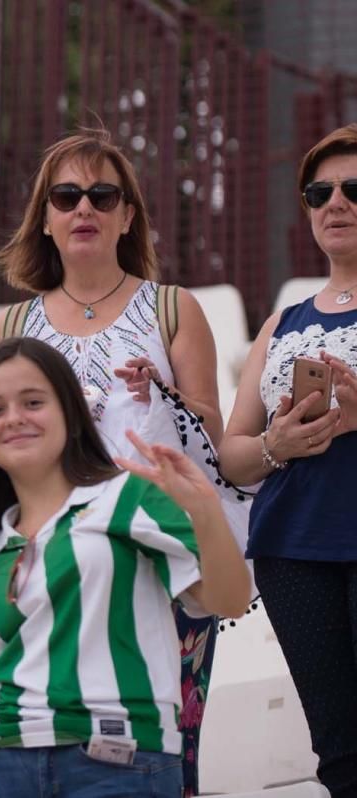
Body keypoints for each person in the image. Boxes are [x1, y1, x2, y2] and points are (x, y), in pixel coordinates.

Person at [0, 130, 234, 794]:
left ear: (128, 216)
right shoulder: (10, 327)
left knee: (170, 753)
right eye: (66, 196)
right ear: (45, 218)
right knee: (44, 736)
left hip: (162, 553)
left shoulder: (173, 306)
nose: (83, 208)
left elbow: (211, 438)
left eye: (103, 195)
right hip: (50, 560)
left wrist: (166, 391)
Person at [0, 337, 250, 798]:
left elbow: (229, 600)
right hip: (2, 769)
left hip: (119, 762)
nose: (14, 417)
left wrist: (205, 509)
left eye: (33, 402)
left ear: (72, 415)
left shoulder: (129, 496)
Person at [218, 124, 357, 798]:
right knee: (338, 750)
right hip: (292, 551)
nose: (337, 202)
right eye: (319, 191)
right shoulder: (282, 321)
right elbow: (234, 454)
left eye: (355, 188)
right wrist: (280, 444)